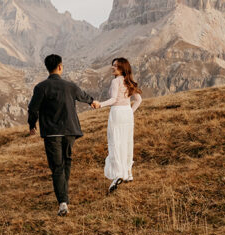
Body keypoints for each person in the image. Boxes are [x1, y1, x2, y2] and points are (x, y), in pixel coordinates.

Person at [27, 53, 99, 217]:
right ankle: (63, 196)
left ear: (48, 67)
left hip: (52, 133)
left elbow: (33, 109)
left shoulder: (41, 87)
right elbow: (83, 96)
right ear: (60, 66)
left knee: (57, 166)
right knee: (66, 162)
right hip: (70, 131)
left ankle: (63, 202)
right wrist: (92, 101)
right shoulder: (70, 86)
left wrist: (32, 125)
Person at [95, 57, 143, 194]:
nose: (113, 67)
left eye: (115, 66)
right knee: (127, 142)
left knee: (115, 142)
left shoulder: (116, 81)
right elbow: (138, 100)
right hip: (127, 114)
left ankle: (118, 175)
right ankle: (128, 173)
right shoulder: (128, 82)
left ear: (122, 68)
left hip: (116, 113)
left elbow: (113, 99)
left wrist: (100, 105)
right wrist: (130, 112)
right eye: (113, 65)